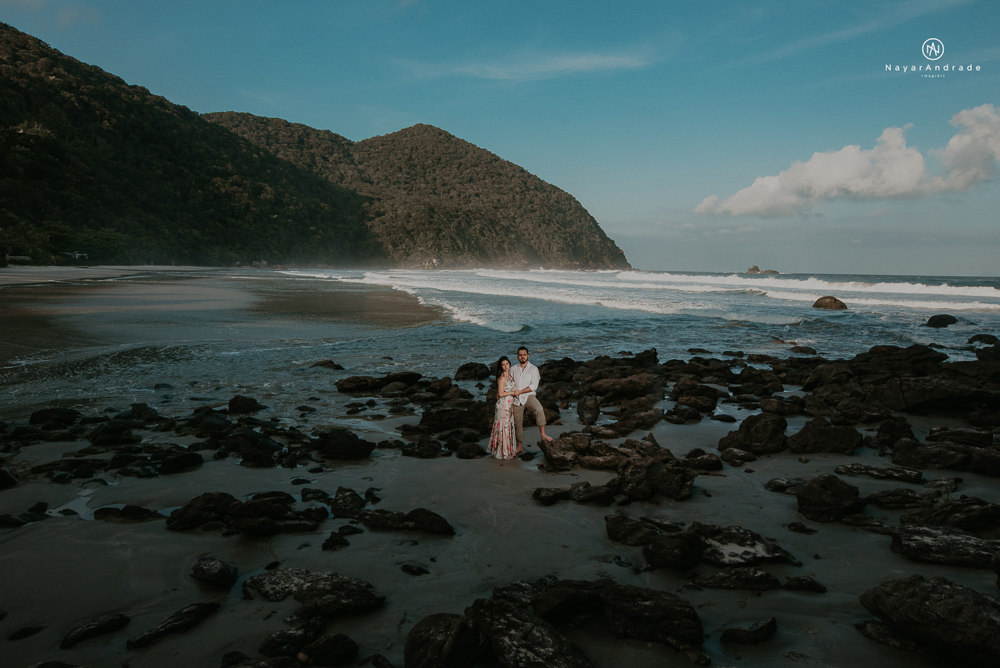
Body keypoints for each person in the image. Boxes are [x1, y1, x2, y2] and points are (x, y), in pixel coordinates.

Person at [509, 346, 552, 454]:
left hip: (529, 396)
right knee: (517, 422)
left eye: (524, 354)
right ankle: (519, 446)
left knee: (539, 409)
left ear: (528, 355)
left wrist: (520, 391)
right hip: (516, 399)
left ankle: (543, 434)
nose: (522, 356)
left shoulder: (533, 369)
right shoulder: (512, 369)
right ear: (517, 356)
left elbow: (534, 386)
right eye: (520, 355)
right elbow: (508, 383)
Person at [487, 356, 517, 459]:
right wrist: (513, 392)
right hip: (503, 404)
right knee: (503, 426)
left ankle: (507, 451)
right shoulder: (502, 377)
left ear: (509, 364)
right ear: (501, 366)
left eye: (507, 364)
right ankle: (501, 452)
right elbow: (500, 393)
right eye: (503, 365)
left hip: (509, 404)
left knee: (507, 426)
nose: (505, 366)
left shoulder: (510, 375)